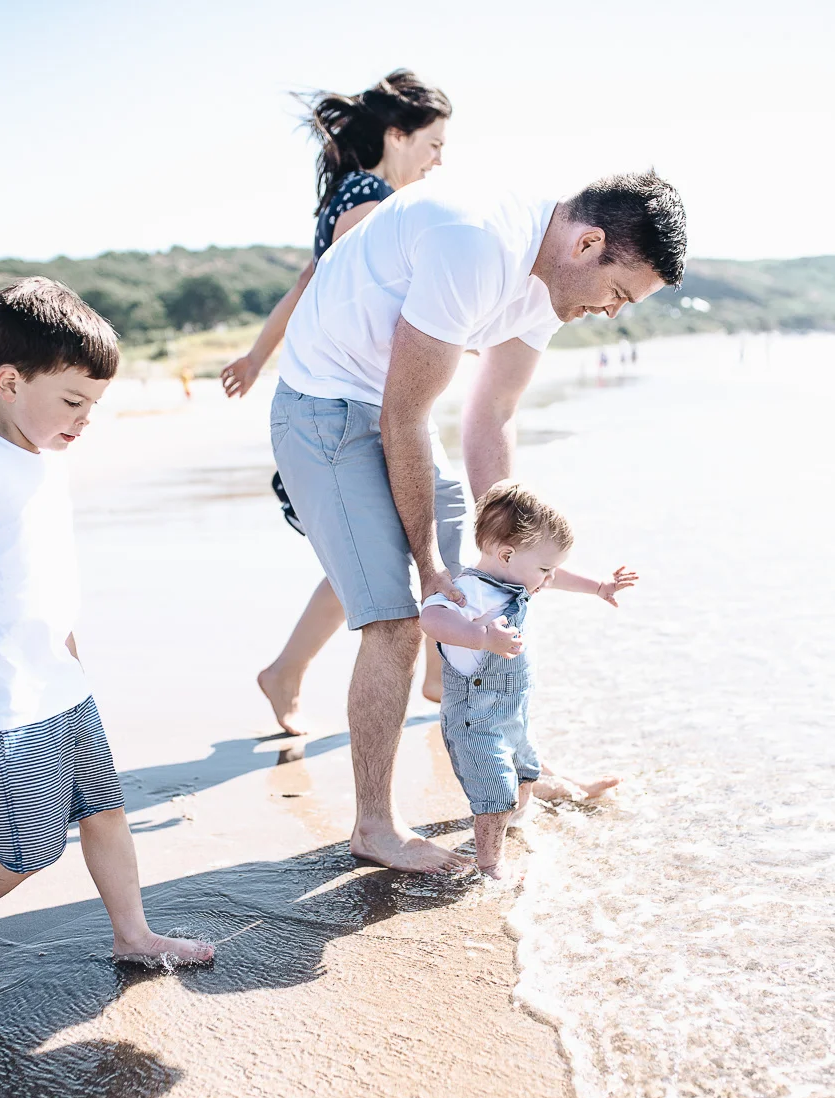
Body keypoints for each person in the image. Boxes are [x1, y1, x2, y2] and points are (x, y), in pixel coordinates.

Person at [272, 169, 686, 875]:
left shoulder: (552, 282)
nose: (612, 312)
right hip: (326, 409)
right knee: (399, 618)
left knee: (504, 585)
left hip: (392, 411)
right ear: (588, 243)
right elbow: (404, 413)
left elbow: (490, 416)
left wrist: (511, 548)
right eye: (618, 293)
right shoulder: (475, 243)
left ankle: (519, 766)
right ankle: (374, 824)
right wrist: (433, 563)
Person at [0, 279, 215, 996]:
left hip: (59, 680)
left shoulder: (44, 457)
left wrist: (74, 656)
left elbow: (41, 575)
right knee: (27, 846)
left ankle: (133, 933)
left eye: (94, 405)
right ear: (8, 381)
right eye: (71, 401)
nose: (85, 419)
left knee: (104, 809)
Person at [220, 70, 452, 734]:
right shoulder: (372, 200)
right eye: (433, 144)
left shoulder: (363, 196)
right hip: (346, 405)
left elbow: (309, 282)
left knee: (374, 555)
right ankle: (431, 670)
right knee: (394, 549)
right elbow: (326, 281)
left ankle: (289, 671)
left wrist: (258, 357)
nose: (440, 161)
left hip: (351, 399)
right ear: (398, 136)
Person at [420, 482, 638, 878]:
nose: (548, 579)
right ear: (506, 554)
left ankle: (519, 822)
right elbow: (430, 618)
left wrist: (600, 588)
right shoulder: (467, 592)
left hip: (513, 714)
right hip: (476, 720)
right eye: (544, 569)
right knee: (495, 798)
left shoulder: (520, 576)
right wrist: (483, 638)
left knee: (526, 774)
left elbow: (560, 576)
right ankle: (490, 863)